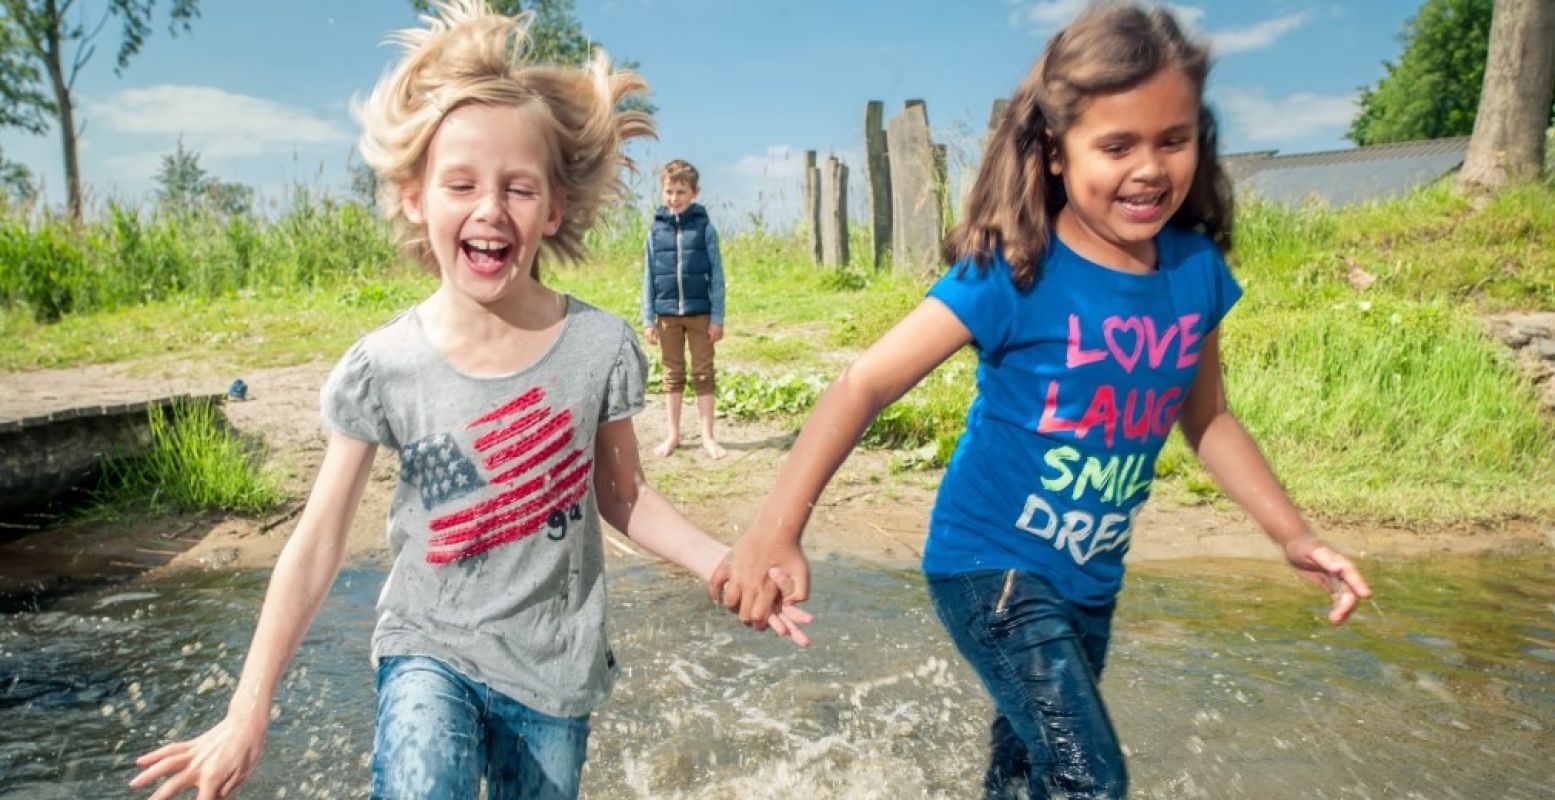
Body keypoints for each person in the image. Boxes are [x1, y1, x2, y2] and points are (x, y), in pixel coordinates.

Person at [129, 3, 808, 798]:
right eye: (462, 184)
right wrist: (248, 709)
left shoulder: (597, 348)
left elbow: (623, 496)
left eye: (519, 188)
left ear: (552, 209)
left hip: (556, 669)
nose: (490, 209)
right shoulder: (383, 366)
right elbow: (317, 540)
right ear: (417, 197)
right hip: (429, 648)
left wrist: (722, 564)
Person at [713, 4, 1371, 798]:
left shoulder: (1194, 273)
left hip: (1090, 583)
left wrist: (1291, 535)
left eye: (1173, 139)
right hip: (987, 567)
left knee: (1027, 774)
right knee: (1091, 778)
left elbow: (1209, 419)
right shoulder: (1013, 269)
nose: (1149, 168)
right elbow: (866, 381)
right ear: (1056, 152)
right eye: (1116, 145)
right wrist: (776, 528)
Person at [640, 159, 729, 460]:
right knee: (672, 374)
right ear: (662, 191)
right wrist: (648, 318)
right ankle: (673, 435)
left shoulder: (705, 228)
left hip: (700, 314)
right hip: (667, 316)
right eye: (669, 191)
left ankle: (707, 436)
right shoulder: (655, 232)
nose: (674, 198)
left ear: (694, 192)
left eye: (681, 191)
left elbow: (717, 275)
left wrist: (717, 317)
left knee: (703, 373)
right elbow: (647, 277)